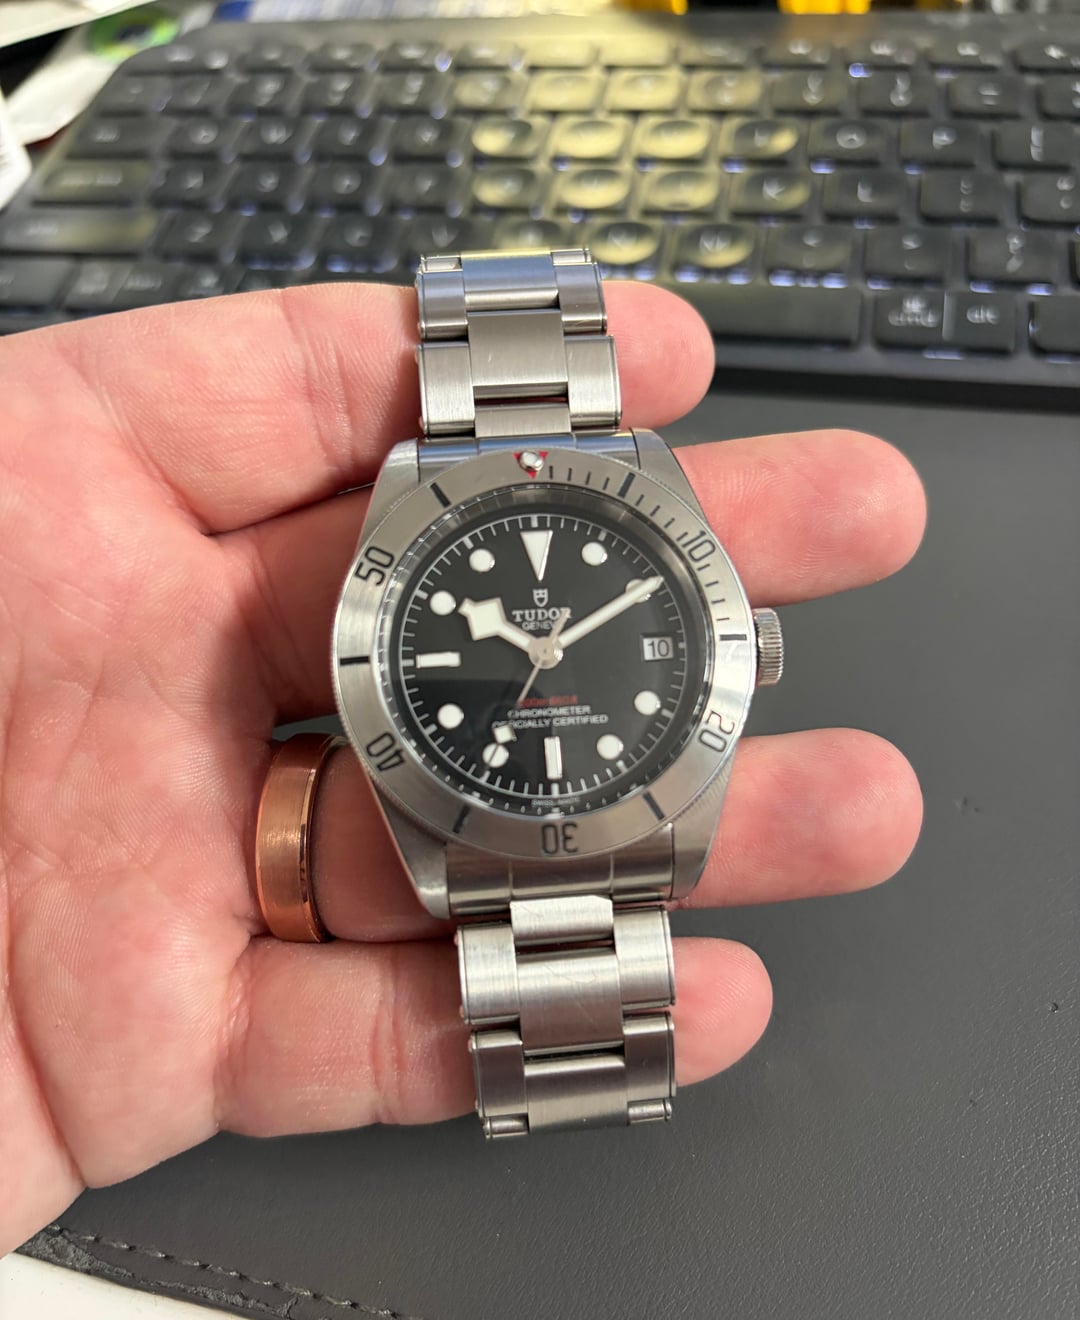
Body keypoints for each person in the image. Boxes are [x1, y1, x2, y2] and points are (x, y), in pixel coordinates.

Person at [0, 281, 926, 1256]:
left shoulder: (616, 534)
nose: (545, 654)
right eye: (532, 644)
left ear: (741, 646)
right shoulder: (434, 520)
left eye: (553, 644)